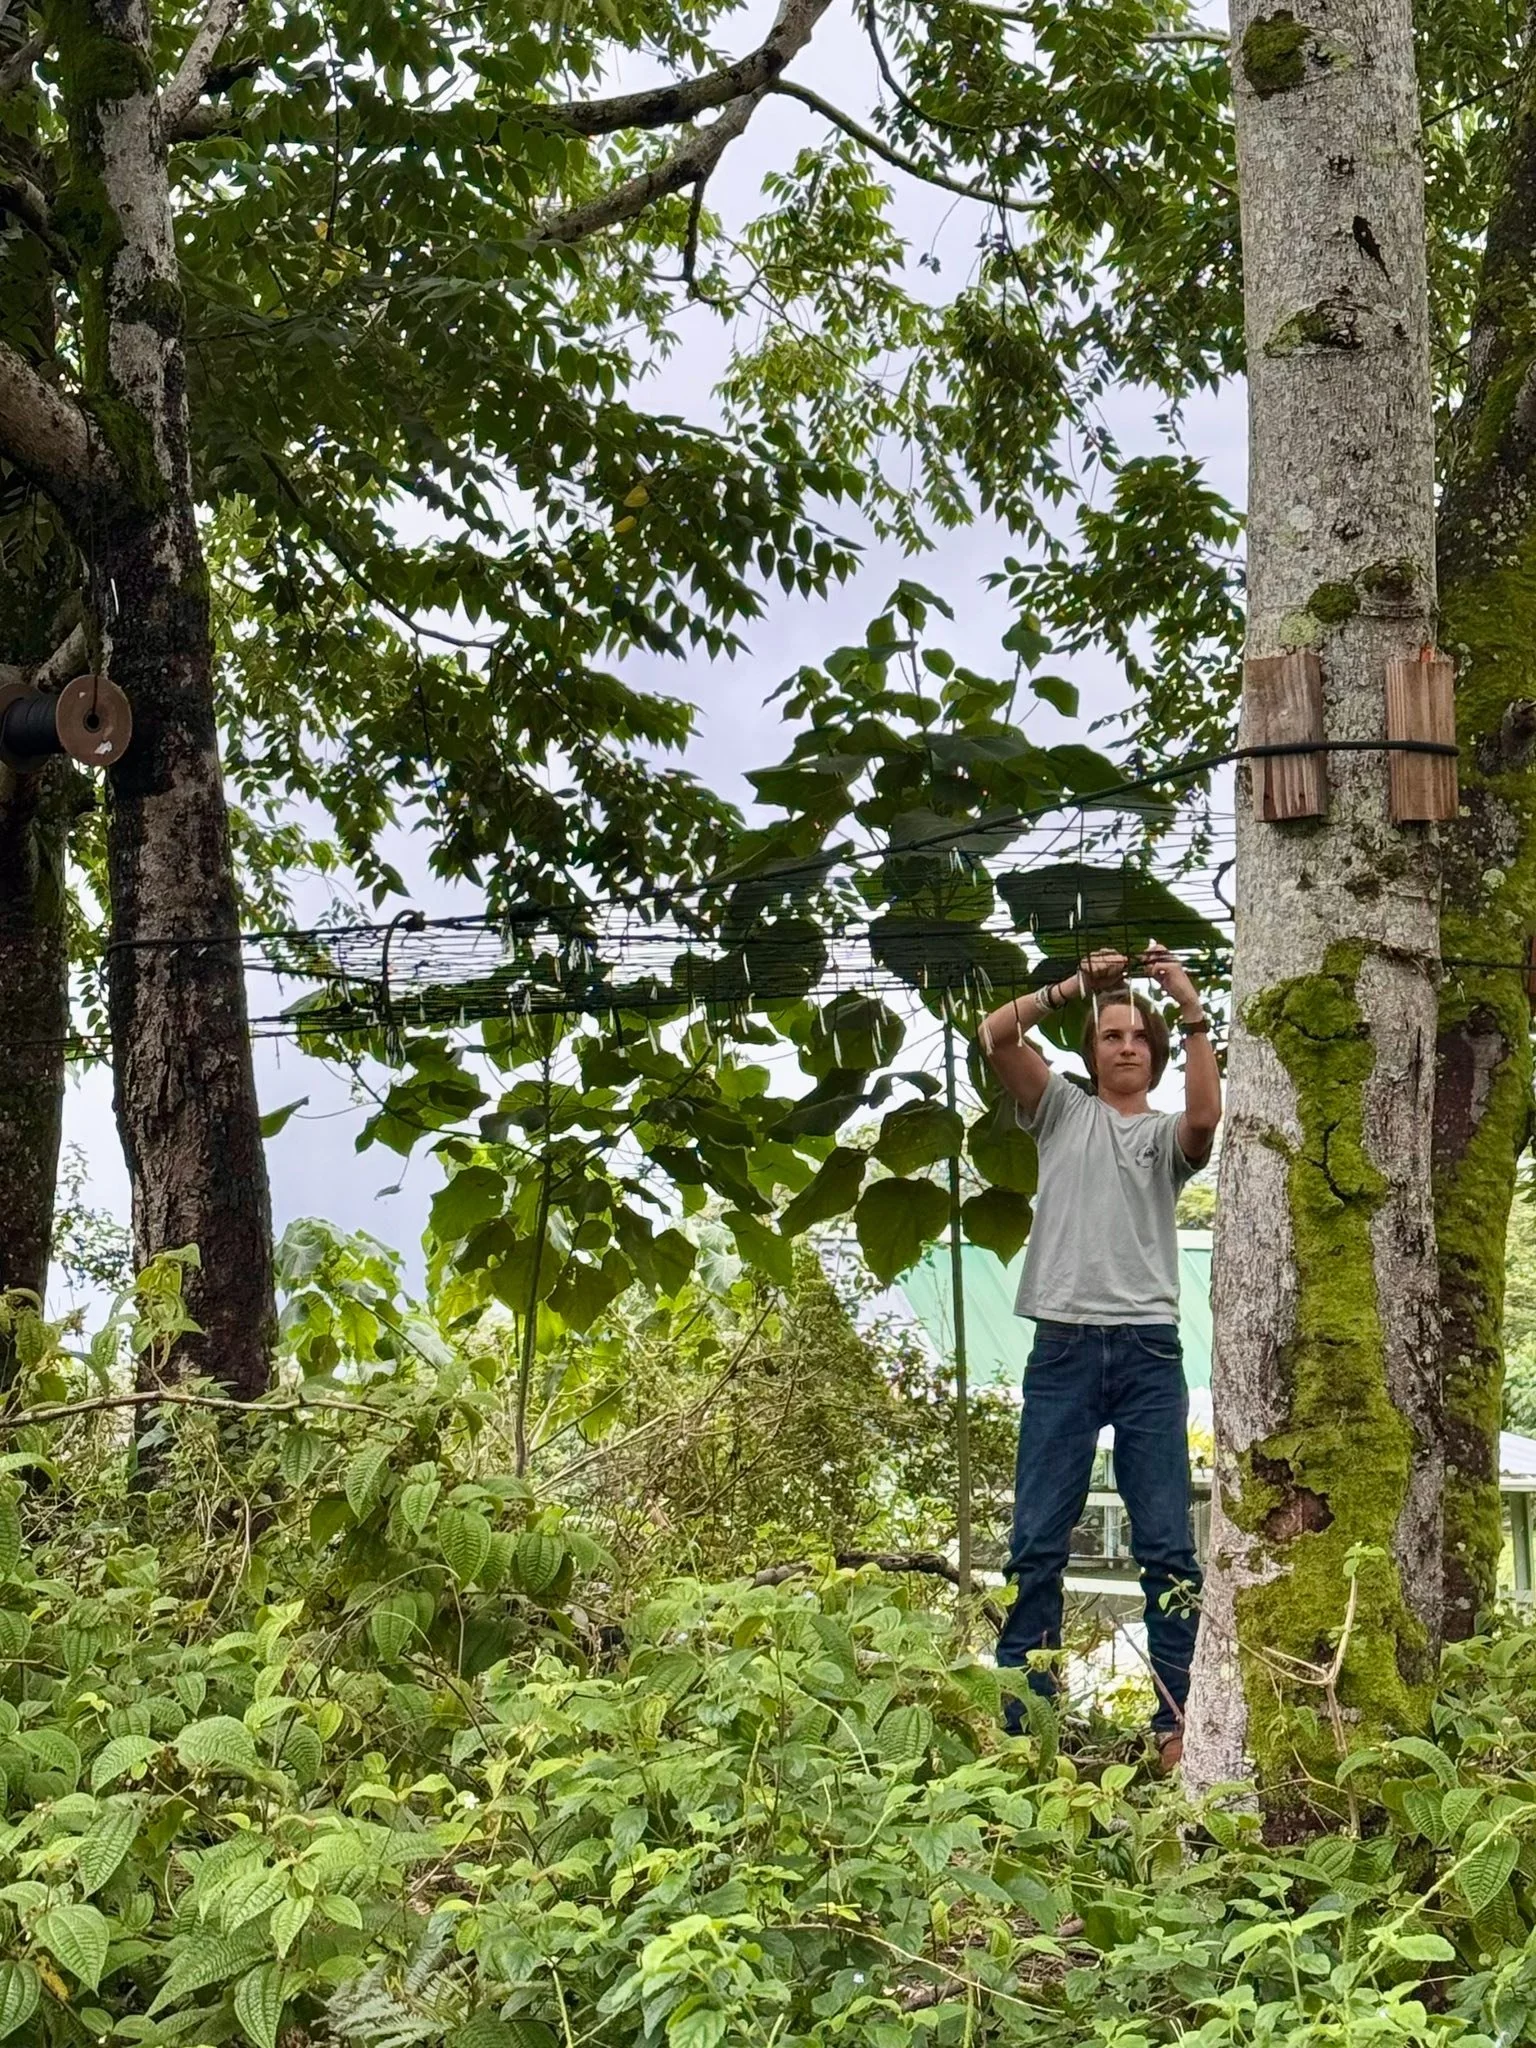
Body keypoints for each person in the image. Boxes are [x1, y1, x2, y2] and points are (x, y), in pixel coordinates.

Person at [979, 943, 1222, 1773]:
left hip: (1149, 1348)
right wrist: (1074, 987)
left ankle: (1177, 1728)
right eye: (1111, 1035)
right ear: (1091, 1054)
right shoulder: (1063, 1111)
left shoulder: (1162, 1135)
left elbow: (1205, 1119)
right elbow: (995, 1036)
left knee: (1167, 1548)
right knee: (1036, 1545)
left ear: (1155, 1054)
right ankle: (1027, 1732)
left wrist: (1187, 1006)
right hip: (1064, 1345)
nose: (1125, 1046)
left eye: (1138, 1038)